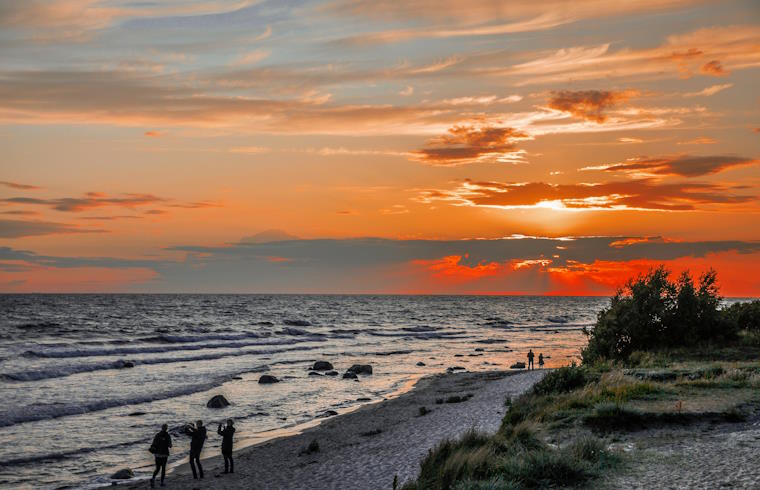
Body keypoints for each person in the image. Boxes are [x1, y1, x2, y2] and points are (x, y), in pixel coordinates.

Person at [150, 423, 172, 488]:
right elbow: (170, 445)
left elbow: (153, 444)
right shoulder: (168, 436)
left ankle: (153, 478)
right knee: (163, 468)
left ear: (161, 428)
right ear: (166, 428)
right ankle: (162, 482)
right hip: (164, 454)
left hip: (157, 455)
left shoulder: (157, 435)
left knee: (157, 468)